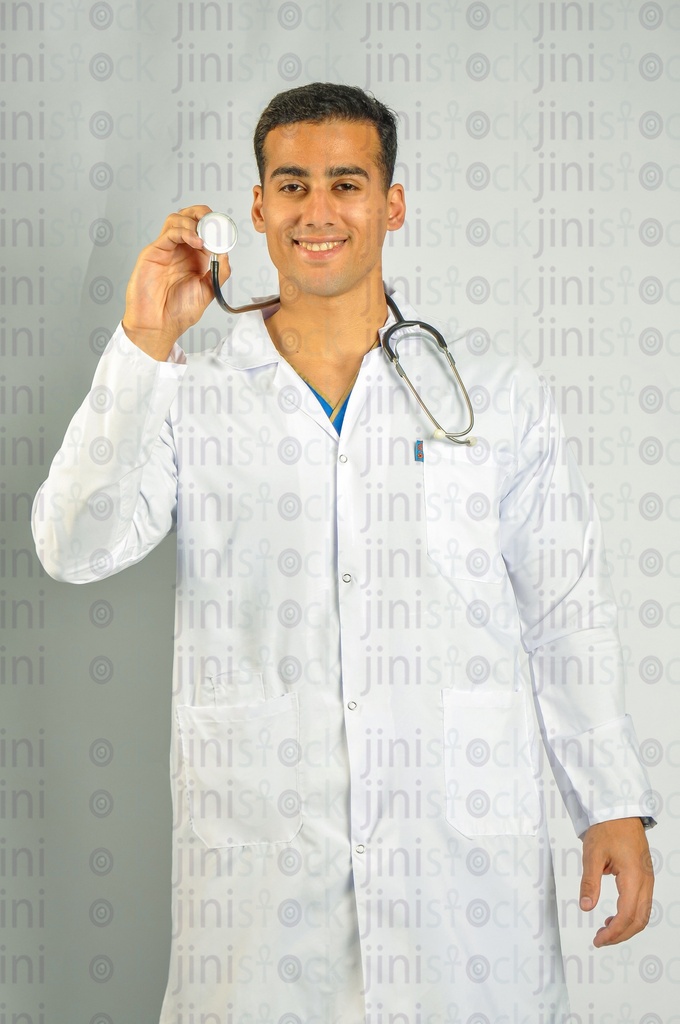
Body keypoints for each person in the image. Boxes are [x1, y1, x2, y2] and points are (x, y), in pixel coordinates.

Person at [33, 83, 656, 1023]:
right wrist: (144, 341)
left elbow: (565, 606)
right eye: (292, 185)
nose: (317, 211)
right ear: (257, 208)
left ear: (391, 204)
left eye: (346, 183)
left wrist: (608, 800)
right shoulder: (192, 392)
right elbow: (71, 546)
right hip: (262, 866)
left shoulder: (492, 396)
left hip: (458, 871)